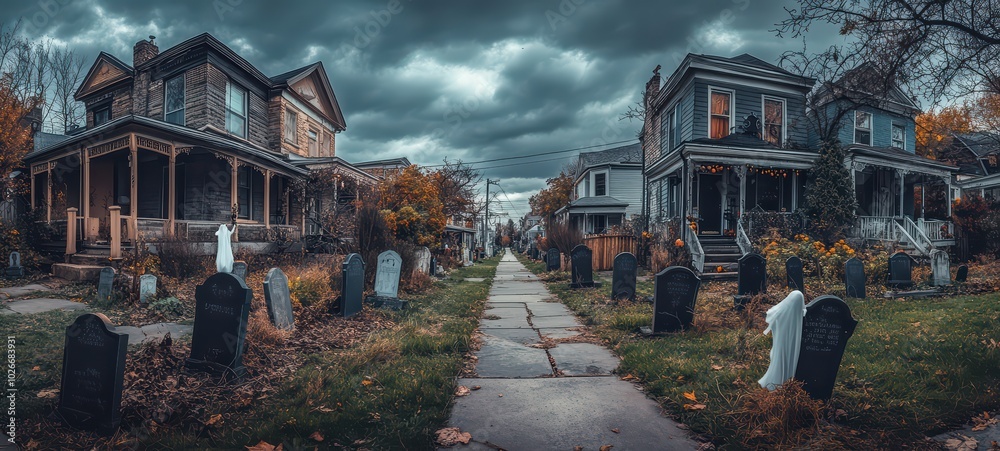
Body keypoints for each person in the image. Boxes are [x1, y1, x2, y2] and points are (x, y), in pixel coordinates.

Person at [758, 290, 806, 390]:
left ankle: (782, 383)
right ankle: (787, 382)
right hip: (790, 343)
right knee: (788, 360)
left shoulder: (781, 313)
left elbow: (771, 315)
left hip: (783, 344)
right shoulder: (801, 315)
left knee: (781, 359)